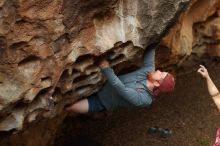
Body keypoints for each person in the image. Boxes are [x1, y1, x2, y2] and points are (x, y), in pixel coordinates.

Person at [65, 46, 175, 113]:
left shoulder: (144, 100)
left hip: (102, 100)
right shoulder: (150, 72)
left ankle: (66, 110)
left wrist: (106, 68)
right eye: (162, 71)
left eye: (161, 74)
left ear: (156, 83)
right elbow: (151, 52)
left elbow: (121, 88)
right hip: (104, 82)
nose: (159, 71)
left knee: (70, 107)